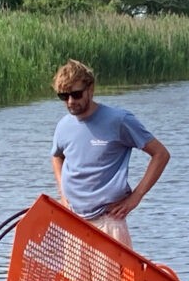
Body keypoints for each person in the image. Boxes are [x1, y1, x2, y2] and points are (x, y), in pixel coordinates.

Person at [50, 59, 170, 249]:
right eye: (64, 97)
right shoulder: (64, 125)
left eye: (76, 94)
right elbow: (57, 156)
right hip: (74, 221)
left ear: (91, 89)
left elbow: (161, 154)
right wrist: (62, 193)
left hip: (108, 221)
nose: (71, 102)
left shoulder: (119, 120)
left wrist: (136, 197)